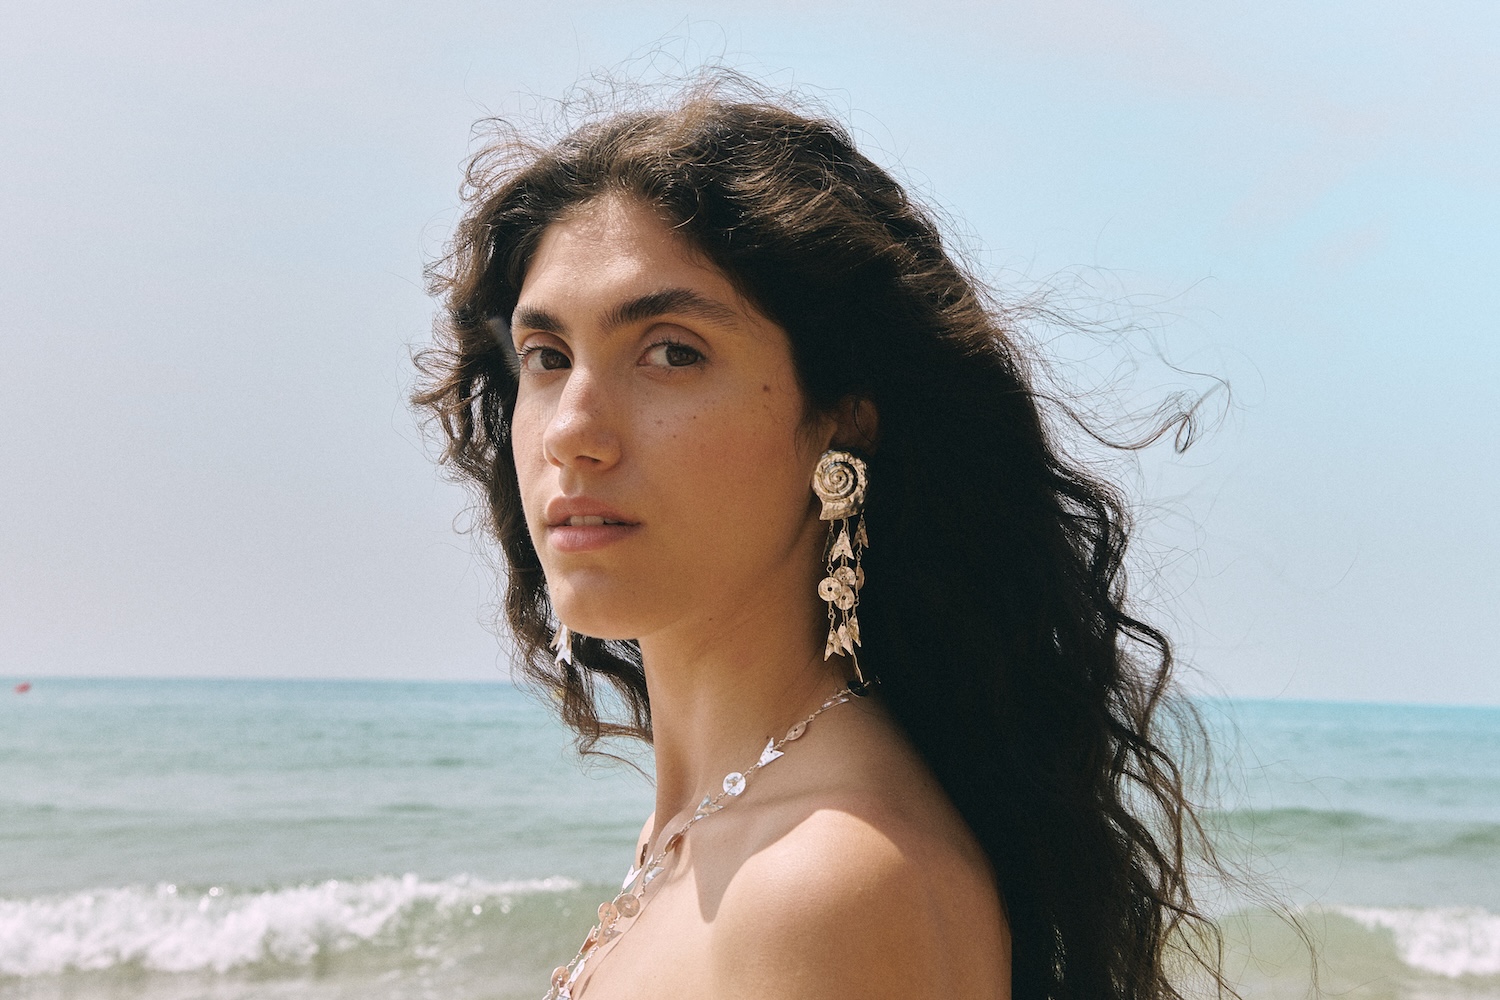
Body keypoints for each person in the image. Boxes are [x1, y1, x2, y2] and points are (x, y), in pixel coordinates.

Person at [416, 75, 1224, 1000]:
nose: (570, 430)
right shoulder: (714, 832)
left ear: (843, 418)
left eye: (672, 352)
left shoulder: (824, 884)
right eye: (547, 358)